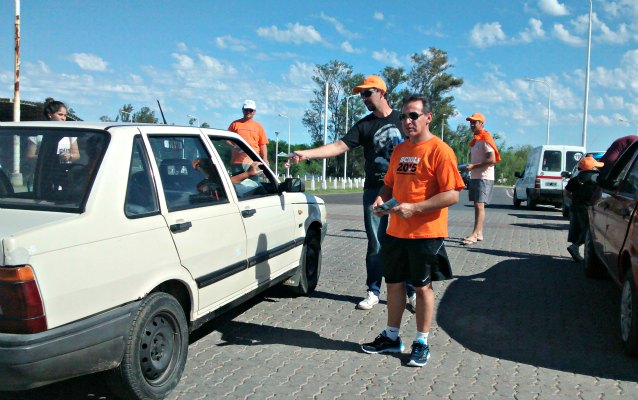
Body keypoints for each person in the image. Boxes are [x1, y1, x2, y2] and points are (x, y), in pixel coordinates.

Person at [290, 75, 416, 311]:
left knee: (405, 242)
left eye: (367, 93)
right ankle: (373, 291)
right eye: (361, 95)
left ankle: (412, 291)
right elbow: (338, 146)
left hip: (403, 189)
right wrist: (307, 153)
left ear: (381, 92)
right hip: (374, 190)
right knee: (376, 243)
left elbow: (421, 146)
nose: (363, 99)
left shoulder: (404, 119)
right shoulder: (365, 125)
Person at [360, 94, 464, 367]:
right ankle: (392, 337)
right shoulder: (399, 150)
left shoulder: (440, 150)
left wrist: (415, 208)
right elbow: (389, 184)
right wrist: (381, 199)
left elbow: (452, 194)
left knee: (422, 287)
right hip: (396, 231)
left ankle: (421, 342)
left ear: (429, 117)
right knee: (393, 285)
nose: (407, 121)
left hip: (426, 233)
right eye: (404, 115)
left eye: (413, 115)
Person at [461, 112, 500, 245]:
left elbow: (492, 159)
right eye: (471, 122)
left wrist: (473, 166)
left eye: (475, 122)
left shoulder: (485, 139)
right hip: (477, 176)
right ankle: (479, 233)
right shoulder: (477, 139)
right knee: (477, 205)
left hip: (484, 177)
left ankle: (474, 234)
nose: (472, 124)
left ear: (482, 124)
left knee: (479, 205)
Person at [565, 155, 603, 263]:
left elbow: (566, 193)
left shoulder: (575, 179)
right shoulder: (596, 177)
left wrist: (575, 199)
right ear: (592, 167)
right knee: (588, 230)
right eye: (595, 166)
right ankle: (576, 247)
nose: (597, 168)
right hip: (587, 208)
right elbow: (598, 195)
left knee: (578, 229)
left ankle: (576, 247)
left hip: (575, 207)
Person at [227, 100, 269, 174]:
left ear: (254, 111)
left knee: (254, 185)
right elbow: (227, 140)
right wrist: (234, 146)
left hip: (253, 162)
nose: (248, 112)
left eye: (251, 110)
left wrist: (265, 159)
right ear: (242, 110)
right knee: (237, 184)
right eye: (246, 110)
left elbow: (263, 144)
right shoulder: (235, 124)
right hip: (237, 162)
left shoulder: (259, 126)